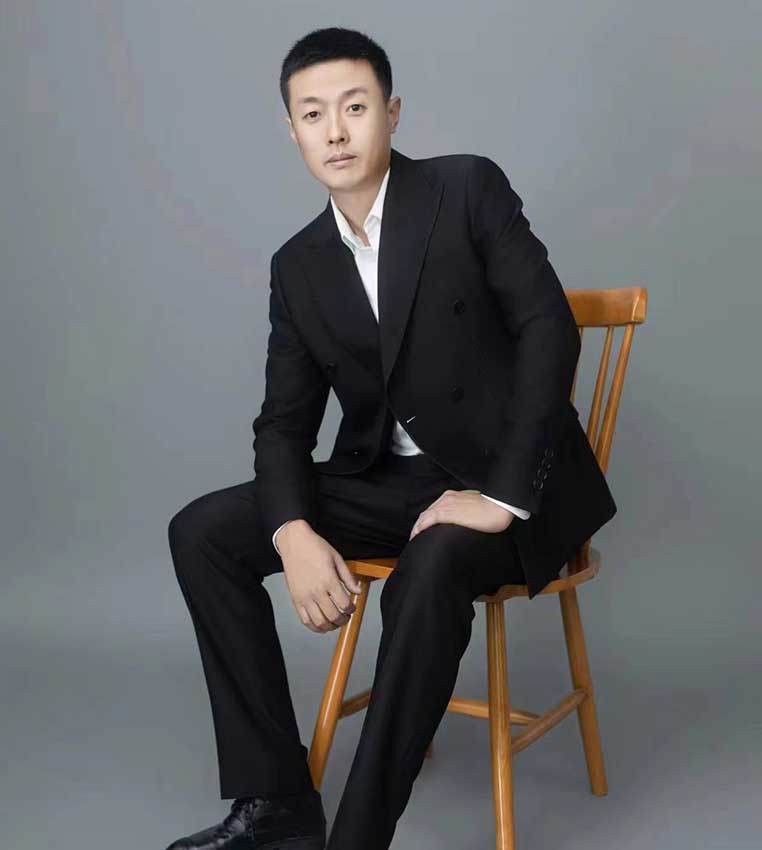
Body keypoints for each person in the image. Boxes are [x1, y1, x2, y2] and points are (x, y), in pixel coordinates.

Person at [165, 25, 617, 850]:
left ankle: (359, 837)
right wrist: (292, 532)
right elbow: (283, 423)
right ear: (293, 132)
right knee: (202, 532)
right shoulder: (298, 264)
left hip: (510, 479)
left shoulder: (465, 188)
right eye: (313, 114)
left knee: (433, 563)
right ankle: (277, 802)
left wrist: (499, 496)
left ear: (392, 112)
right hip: (389, 484)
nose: (335, 131)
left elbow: (547, 328)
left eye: (355, 107)